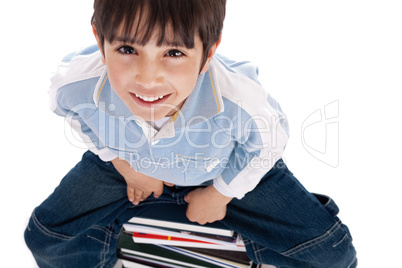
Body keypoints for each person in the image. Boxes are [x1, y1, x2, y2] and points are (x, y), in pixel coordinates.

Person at [24, 0, 357, 267]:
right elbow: (70, 110)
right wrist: (124, 165)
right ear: (100, 41)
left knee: (331, 254)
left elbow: (268, 145)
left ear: (208, 52)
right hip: (129, 161)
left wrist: (221, 194)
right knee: (45, 237)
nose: (148, 78)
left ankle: (237, 237)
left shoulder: (238, 98)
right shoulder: (77, 83)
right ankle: (111, 243)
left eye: (173, 53)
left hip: (221, 168)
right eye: (127, 49)